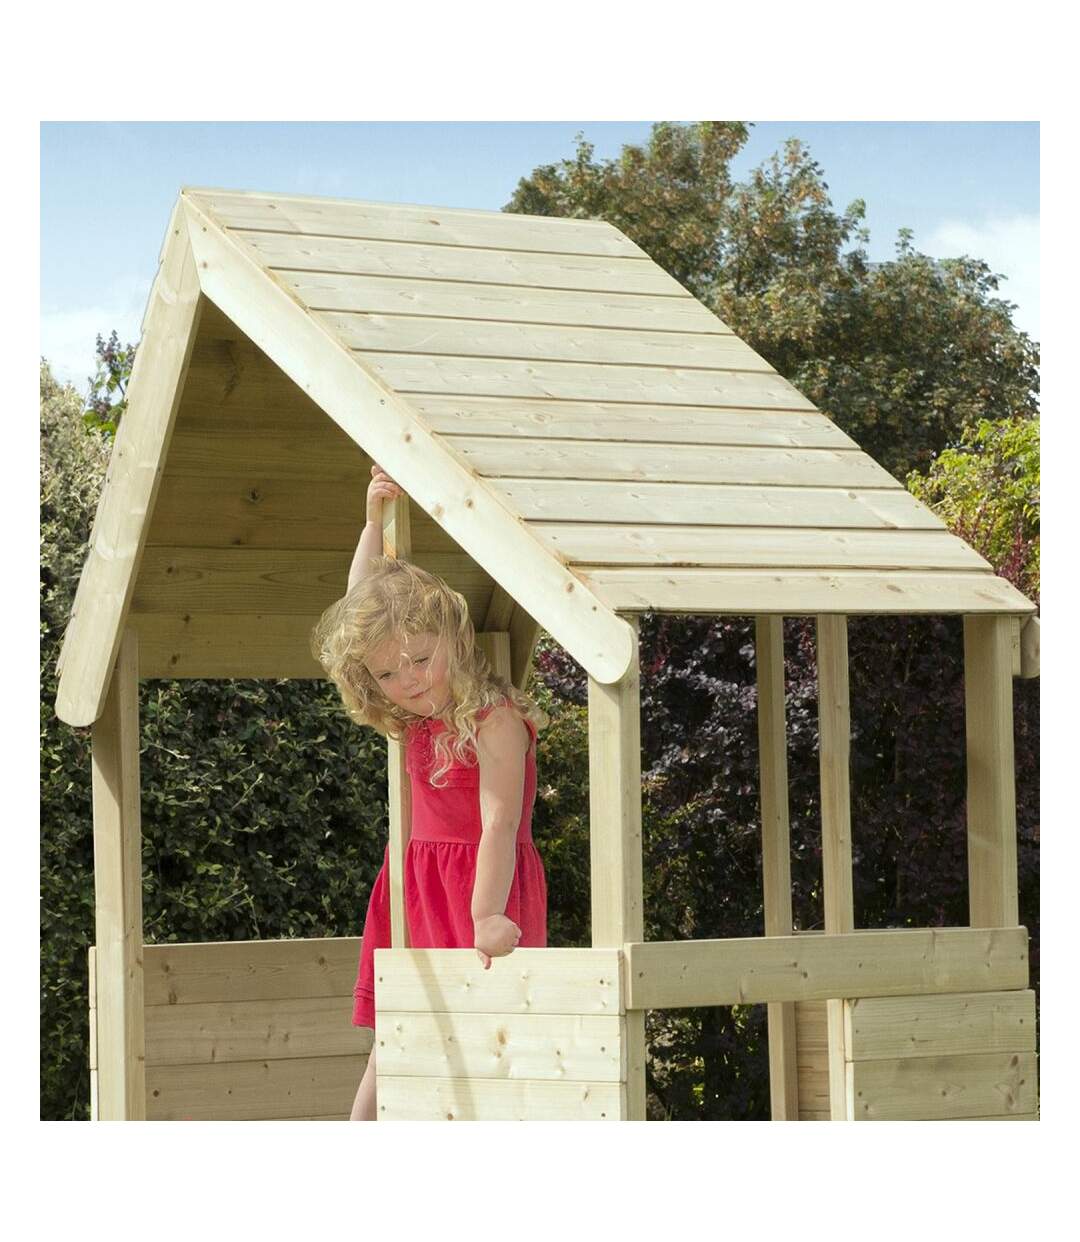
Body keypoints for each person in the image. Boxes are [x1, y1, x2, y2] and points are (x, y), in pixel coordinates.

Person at [309, 462, 550, 1121]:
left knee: (486, 1027)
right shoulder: (416, 720)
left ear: (452, 636)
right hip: (416, 883)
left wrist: (485, 915)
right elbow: (360, 598)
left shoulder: (494, 721)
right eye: (388, 672)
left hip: (482, 886)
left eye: (420, 658)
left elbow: (500, 824)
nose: (410, 679)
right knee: (402, 1023)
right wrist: (372, 521)